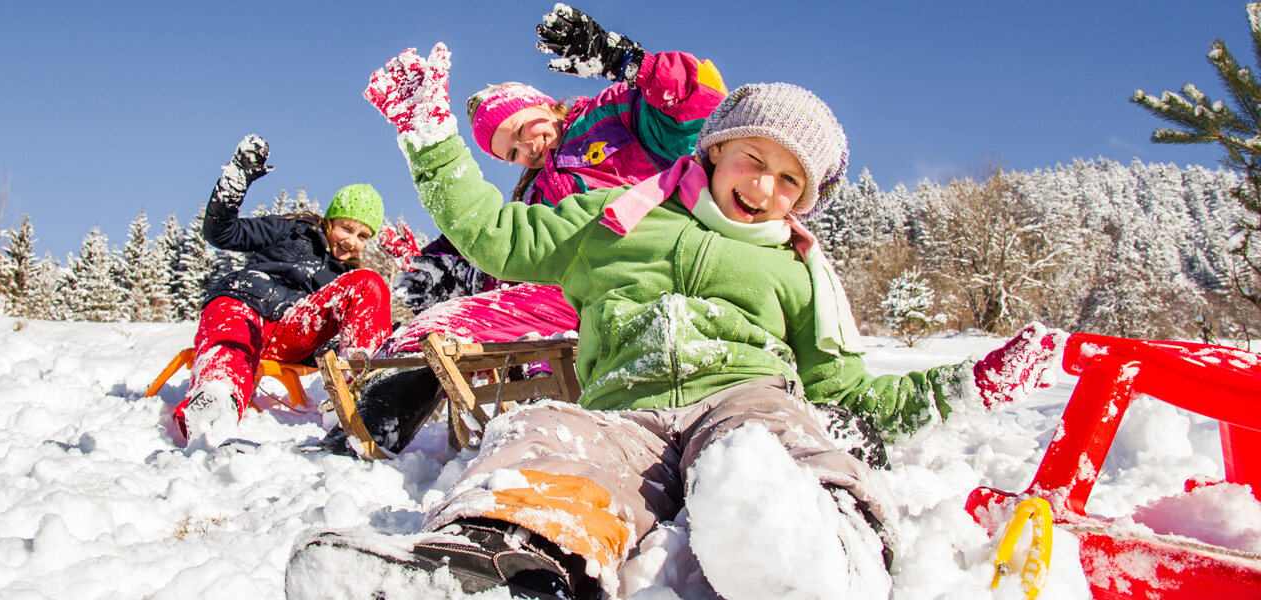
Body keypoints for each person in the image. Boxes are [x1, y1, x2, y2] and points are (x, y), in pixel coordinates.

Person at [287, 46, 1067, 600]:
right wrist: (432, 141)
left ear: (805, 198)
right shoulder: (618, 218)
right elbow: (498, 237)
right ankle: (491, 565)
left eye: (790, 178)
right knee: (549, 436)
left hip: (744, 394)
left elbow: (846, 390)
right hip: (627, 406)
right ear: (718, 149)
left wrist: (969, 383)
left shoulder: (797, 267)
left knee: (772, 443)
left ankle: (821, 552)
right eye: (752, 159)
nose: (765, 185)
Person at [314, 4, 730, 457]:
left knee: (448, 328)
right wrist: (436, 262)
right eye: (510, 153)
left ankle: (361, 439)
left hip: (636, 279)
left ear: (540, 103)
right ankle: (358, 431)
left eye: (520, 129)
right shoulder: (531, 195)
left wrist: (627, 61)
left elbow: (702, 107)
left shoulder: (612, 117)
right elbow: (506, 247)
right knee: (438, 328)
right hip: (564, 296)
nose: (525, 149)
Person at [173, 135, 392, 445]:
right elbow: (221, 233)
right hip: (243, 304)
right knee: (232, 337)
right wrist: (236, 182)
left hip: (291, 330)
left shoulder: (348, 277)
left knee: (370, 282)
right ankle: (216, 403)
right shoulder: (295, 228)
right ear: (329, 220)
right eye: (346, 227)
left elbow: (333, 335)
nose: (351, 241)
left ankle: (359, 400)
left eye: (363, 236)